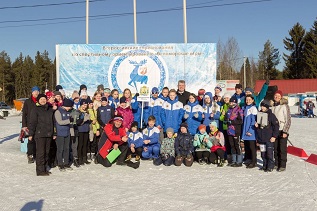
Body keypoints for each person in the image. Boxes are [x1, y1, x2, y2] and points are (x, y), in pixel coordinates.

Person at [28, 94, 54, 176]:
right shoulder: (35, 110)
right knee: (40, 153)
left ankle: (45, 168)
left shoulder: (50, 109)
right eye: (41, 99)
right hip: (39, 134)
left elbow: (53, 122)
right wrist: (31, 134)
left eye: (44, 99)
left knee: (46, 152)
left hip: (48, 134)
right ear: (38, 101)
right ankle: (40, 170)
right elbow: (32, 123)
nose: (43, 100)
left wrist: (54, 133)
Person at [255, 100, 280, 172]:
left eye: (264, 106)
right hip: (261, 138)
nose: (262, 108)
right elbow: (259, 126)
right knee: (263, 153)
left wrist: (274, 136)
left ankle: (270, 166)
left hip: (269, 138)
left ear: (267, 107)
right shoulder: (259, 114)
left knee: (269, 153)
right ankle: (265, 165)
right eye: (262, 106)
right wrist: (257, 126)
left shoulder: (271, 115)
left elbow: (276, 126)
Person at [271, 90, 291, 172]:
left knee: (282, 148)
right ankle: (276, 163)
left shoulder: (284, 106)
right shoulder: (272, 106)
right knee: (275, 148)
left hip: (282, 129)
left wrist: (285, 131)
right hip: (274, 130)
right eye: (275, 95)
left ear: (281, 97)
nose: (277, 97)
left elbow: (288, 120)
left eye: (278, 96)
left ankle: (282, 164)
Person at [54, 99, 74, 171]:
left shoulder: (68, 112)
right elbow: (59, 122)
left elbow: (70, 123)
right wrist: (69, 121)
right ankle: (60, 163)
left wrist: (72, 132)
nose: (70, 108)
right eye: (70, 107)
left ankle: (66, 163)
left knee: (67, 148)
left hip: (67, 132)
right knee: (60, 149)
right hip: (60, 133)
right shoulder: (58, 111)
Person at [22, 86, 40, 164]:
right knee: (30, 140)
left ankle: (36, 154)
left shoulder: (41, 100)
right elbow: (24, 114)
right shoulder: (28, 102)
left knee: (38, 140)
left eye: (38, 91)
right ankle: (30, 154)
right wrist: (24, 125)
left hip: (39, 124)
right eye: (35, 91)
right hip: (30, 124)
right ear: (32, 92)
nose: (36, 92)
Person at [226, 96, 244, 167]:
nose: (231, 103)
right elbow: (226, 118)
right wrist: (226, 120)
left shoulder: (239, 110)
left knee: (237, 145)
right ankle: (234, 160)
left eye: (233, 102)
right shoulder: (229, 110)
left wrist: (232, 121)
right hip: (229, 131)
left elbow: (240, 120)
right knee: (232, 145)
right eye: (230, 102)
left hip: (236, 130)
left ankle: (239, 161)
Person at [241, 95, 258, 168]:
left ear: (252, 100)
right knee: (247, 146)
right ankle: (249, 159)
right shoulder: (245, 108)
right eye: (247, 100)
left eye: (249, 100)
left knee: (252, 147)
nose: (248, 101)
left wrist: (250, 130)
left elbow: (253, 121)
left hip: (251, 131)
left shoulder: (253, 108)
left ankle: (254, 161)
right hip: (245, 131)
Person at [77, 99, 91, 165]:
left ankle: (84, 158)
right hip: (80, 130)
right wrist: (83, 120)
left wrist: (90, 120)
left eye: (85, 105)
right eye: (83, 105)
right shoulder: (78, 112)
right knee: (80, 145)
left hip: (86, 130)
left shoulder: (87, 112)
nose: (84, 106)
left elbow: (88, 121)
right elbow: (77, 122)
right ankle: (79, 158)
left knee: (85, 144)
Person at [219, 92, 231, 162]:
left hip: (231, 127)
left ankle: (232, 156)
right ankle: (227, 156)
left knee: (231, 142)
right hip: (224, 126)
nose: (226, 99)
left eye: (227, 98)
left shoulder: (231, 105)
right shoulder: (223, 106)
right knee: (226, 142)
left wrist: (225, 115)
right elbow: (221, 118)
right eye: (225, 98)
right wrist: (223, 115)